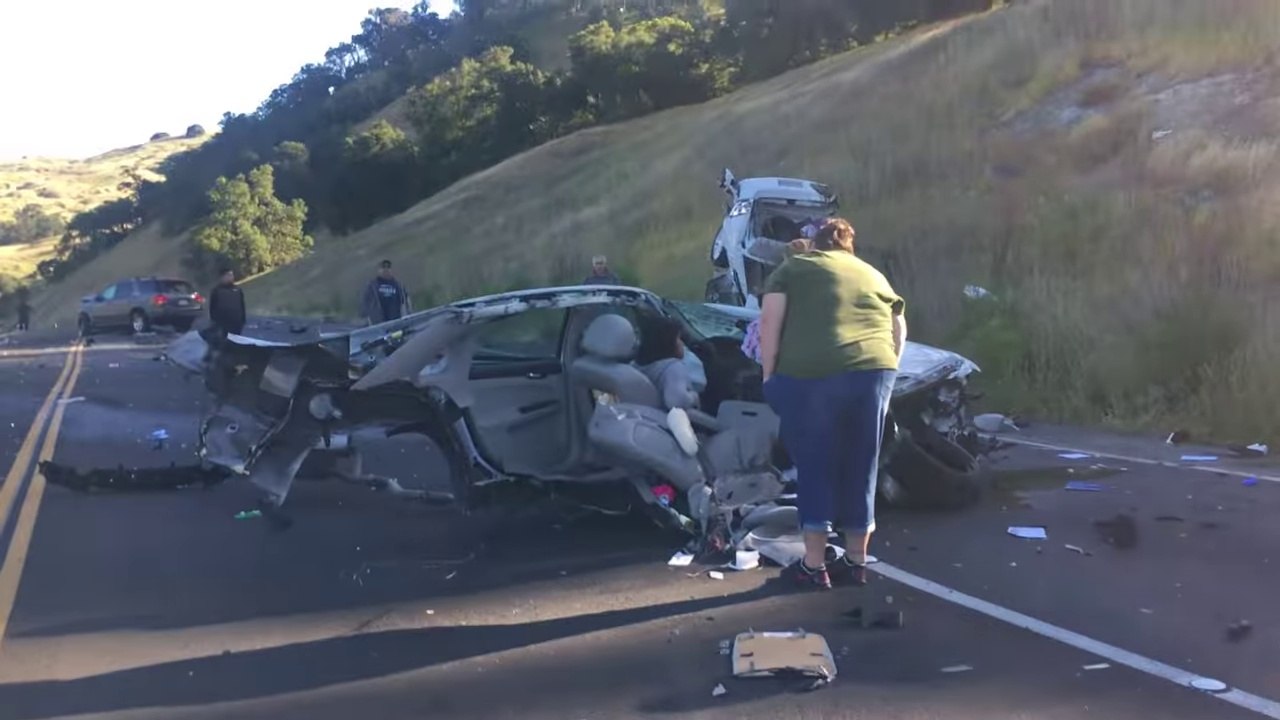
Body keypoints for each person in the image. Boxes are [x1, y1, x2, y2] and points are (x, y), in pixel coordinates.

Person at [757, 217, 907, 590]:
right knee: (863, 464)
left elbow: (769, 324)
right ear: (847, 246)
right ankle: (856, 563)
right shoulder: (872, 274)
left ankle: (813, 566)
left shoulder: (792, 269)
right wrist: (888, 372)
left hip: (812, 375)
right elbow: (899, 326)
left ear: (814, 243)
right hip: (875, 370)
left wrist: (768, 376)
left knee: (815, 463)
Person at [635, 315, 700, 411]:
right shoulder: (673, 367)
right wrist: (693, 397)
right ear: (667, 342)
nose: (682, 344)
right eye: (679, 339)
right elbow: (676, 402)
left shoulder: (635, 365)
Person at [361, 259, 412, 325]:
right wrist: (367, 318)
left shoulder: (399, 285)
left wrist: (408, 314)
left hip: (396, 322)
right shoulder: (372, 286)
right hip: (378, 324)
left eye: (388, 267)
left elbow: (406, 302)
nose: (386, 269)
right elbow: (365, 303)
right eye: (383, 267)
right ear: (378, 270)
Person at [207, 267, 246, 339]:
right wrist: (215, 322)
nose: (231, 277)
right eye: (228, 275)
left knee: (237, 341)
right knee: (224, 342)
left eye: (231, 275)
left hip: (236, 322)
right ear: (222, 277)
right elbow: (212, 308)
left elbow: (242, 305)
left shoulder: (237, 289)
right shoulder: (216, 291)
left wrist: (243, 319)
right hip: (223, 324)